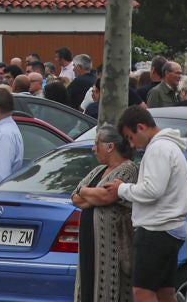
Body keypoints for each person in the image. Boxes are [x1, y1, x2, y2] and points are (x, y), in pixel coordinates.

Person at [80, 106, 187, 302]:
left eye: (130, 137)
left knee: (142, 292)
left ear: (141, 127)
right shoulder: (169, 146)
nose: (132, 144)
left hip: (156, 229)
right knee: (164, 292)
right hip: (170, 228)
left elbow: (152, 190)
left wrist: (122, 189)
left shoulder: (158, 148)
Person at [70, 124, 137, 302]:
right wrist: (89, 193)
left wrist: (85, 192)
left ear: (110, 146)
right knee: (87, 285)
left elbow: (107, 197)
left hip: (112, 246)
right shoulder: (98, 170)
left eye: (96, 143)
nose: (93, 148)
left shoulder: (128, 169)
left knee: (108, 287)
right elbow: (75, 197)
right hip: (90, 244)